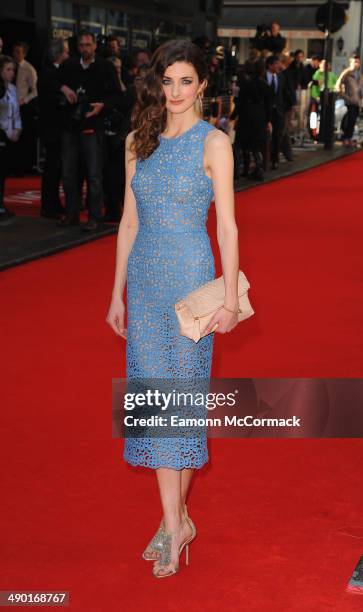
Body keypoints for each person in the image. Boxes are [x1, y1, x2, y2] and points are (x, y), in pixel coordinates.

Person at [106, 39, 240, 578]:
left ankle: (172, 523)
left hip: (190, 281)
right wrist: (116, 293)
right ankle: (175, 520)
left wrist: (230, 297)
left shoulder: (216, 144)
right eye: (168, 81)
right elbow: (127, 222)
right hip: (143, 282)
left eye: (187, 81)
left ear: (202, 85)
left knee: (177, 407)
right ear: (156, 84)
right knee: (157, 404)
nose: (177, 92)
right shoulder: (139, 141)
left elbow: (227, 226)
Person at [57, 29, 121, 230]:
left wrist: (103, 105)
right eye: (81, 45)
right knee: (68, 173)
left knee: (94, 174)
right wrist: (64, 89)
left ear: (94, 46)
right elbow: (52, 80)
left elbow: (117, 95)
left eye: (88, 45)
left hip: (93, 126)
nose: (84, 48)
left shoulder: (105, 67)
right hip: (70, 126)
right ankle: (72, 213)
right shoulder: (69, 65)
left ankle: (94, 215)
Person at [38, 37, 71, 219]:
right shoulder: (49, 73)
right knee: (52, 168)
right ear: (58, 54)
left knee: (56, 168)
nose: (68, 54)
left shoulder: (55, 73)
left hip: (56, 128)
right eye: (65, 51)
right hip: (52, 129)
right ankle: (48, 205)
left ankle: (53, 203)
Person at [230, 59, 272, 181]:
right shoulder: (266, 86)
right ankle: (258, 169)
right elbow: (269, 105)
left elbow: (240, 102)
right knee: (256, 144)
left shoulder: (245, 84)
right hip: (260, 115)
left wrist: (233, 116)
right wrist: (268, 120)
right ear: (263, 71)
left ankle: (242, 169)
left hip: (246, 114)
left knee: (242, 144)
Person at [0, 55, 22, 222]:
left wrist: (17, 129)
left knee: (3, 172)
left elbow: (15, 113)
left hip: (9, 136)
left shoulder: (13, 89)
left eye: (13, 70)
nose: (11, 73)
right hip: (1, 133)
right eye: (8, 70)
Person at [11, 40, 38, 174]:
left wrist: (24, 100)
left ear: (25, 54)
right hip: (8, 106)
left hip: (21, 107)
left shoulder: (28, 69)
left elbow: (35, 90)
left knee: (22, 138)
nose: (15, 54)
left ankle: (22, 167)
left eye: (18, 52)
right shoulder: (9, 66)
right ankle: (10, 166)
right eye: (14, 51)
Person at [336, 55, 363, 147]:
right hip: (349, 100)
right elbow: (338, 84)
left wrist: (361, 98)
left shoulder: (360, 75)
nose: (357, 64)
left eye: (358, 62)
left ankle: (349, 138)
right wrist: (343, 95)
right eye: (355, 62)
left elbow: (360, 88)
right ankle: (346, 138)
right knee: (349, 119)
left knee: (353, 120)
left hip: (357, 101)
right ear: (350, 62)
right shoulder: (346, 73)